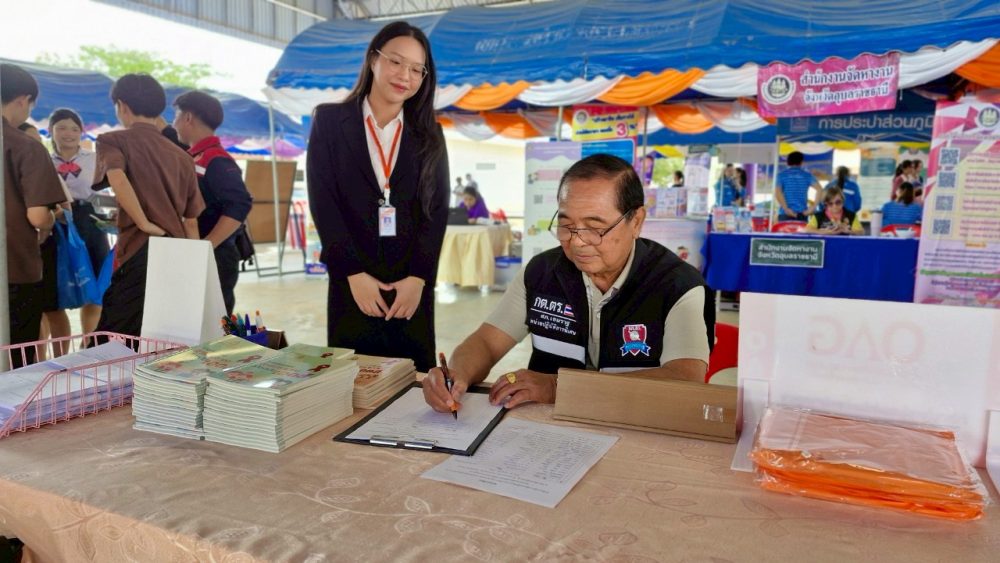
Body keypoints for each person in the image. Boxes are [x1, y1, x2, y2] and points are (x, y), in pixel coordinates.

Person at [422, 154, 715, 412]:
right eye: (566, 226)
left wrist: (558, 388)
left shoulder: (677, 285)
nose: (577, 242)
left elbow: (683, 379)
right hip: (546, 432)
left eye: (595, 228)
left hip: (636, 428)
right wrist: (455, 375)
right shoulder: (541, 273)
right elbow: (486, 342)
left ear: (636, 221)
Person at [307, 21, 448, 373]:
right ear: (373, 60)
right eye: (396, 62)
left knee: (413, 381)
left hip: (410, 287)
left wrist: (419, 278)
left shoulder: (429, 134)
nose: (405, 76)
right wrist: (352, 272)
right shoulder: (330, 121)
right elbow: (323, 202)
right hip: (353, 282)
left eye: (416, 69)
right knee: (354, 379)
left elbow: (436, 210)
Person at [94, 74, 205, 337]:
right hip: (175, 252)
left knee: (115, 336)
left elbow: (117, 177)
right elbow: (191, 221)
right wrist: (195, 267)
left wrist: (143, 222)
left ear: (122, 106)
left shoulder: (112, 140)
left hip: (138, 250)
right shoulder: (182, 156)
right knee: (164, 334)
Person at [1, 63, 66, 366]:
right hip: (14, 268)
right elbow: (38, 217)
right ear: (22, 100)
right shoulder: (25, 146)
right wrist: (51, 221)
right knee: (16, 362)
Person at [171, 90, 253, 316]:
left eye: (176, 117)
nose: (174, 124)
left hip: (216, 256)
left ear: (188, 118)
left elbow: (240, 203)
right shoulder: (195, 157)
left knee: (213, 323)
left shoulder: (215, 159)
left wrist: (208, 245)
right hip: (200, 253)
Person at [49, 108, 110, 338]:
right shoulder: (43, 161)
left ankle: (89, 342)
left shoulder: (95, 159)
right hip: (56, 223)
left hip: (90, 221)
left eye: (74, 129)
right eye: (62, 128)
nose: (69, 134)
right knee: (58, 283)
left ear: (82, 133)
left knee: (93, 285)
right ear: (51, 131)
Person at [775, 151, 820, 220]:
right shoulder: (807, 175)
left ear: (788, 162)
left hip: (785, 213)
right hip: (802, 214)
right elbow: (820, 190)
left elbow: (778, 193)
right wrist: (813, 207)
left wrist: (786, 209)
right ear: (801, 162)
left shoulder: (781, 175)